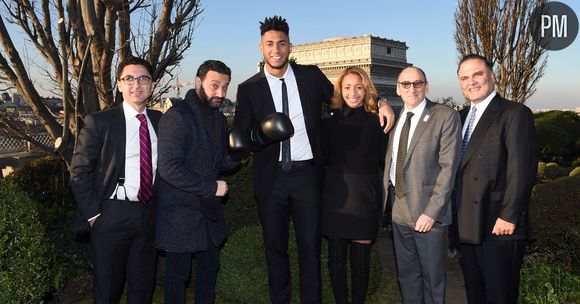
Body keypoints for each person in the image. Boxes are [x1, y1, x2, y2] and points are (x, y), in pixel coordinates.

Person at [230, 16, 395, 304]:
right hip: (272, 179)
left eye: (281, 43)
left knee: (310, 248)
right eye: (270, 43)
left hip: (307, 177)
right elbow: (242, 139)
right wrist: (262, 134)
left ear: (290, 46)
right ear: (261, 48)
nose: (276, 49)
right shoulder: (248, 88)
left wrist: (381, 102)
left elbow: (350, 93)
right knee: (275, 248)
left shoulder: (310, 76)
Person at [70, 57, 161, 304]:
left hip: (149, 214)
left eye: (144, 78)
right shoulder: (100, 121)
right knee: (107, 289)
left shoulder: (160, 121)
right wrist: (93, 215)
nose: (136, 84)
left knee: (143, 288)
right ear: (119, 85)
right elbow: (79, 171)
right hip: (111, 215)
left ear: (152, 84)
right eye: (128, 78)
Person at [454, 54, 538, 304]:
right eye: (464, 77)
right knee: (475, 292)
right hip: (466, 222)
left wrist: (509, 216)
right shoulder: (459, 117)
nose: (472, 81)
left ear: (492, 76)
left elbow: (522, 169)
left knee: (500, 295)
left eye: (477, 74)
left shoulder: (515, 113)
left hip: (499, 223)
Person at [154, 60, 237, 304]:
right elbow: (169, 168)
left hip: (208, 215)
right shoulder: (176, 116)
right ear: (199, 82)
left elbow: (219, 163)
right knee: (177, 279)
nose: (220, 93)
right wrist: (212, 187)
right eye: (215, 86)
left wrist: (241, 153)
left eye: (224, 87)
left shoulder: (219, 120)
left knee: (208, 276)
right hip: (179, 215)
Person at [383, 67, 462, 304]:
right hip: (398, 210)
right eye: (405, 84)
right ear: (398, 88)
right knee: (407, 276)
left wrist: (431, 212)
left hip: (428, 214)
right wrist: (381, 102)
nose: (412, 88)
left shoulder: (445, 116)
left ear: (426, 86)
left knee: (433, 280)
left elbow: (449, 169)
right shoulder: (395, 118)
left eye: (417, 83)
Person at [321, 67, 388, 304]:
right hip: (335, 197)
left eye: (359, 87)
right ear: (340, 89)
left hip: (365, 198)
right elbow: (321, 158)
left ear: (366, 89)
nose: (353, 93)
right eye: (348, 87)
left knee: (361, 262)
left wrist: (383, 103)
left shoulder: (378, 121)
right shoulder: (328, 120)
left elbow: (385, 161)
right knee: (336, 261)